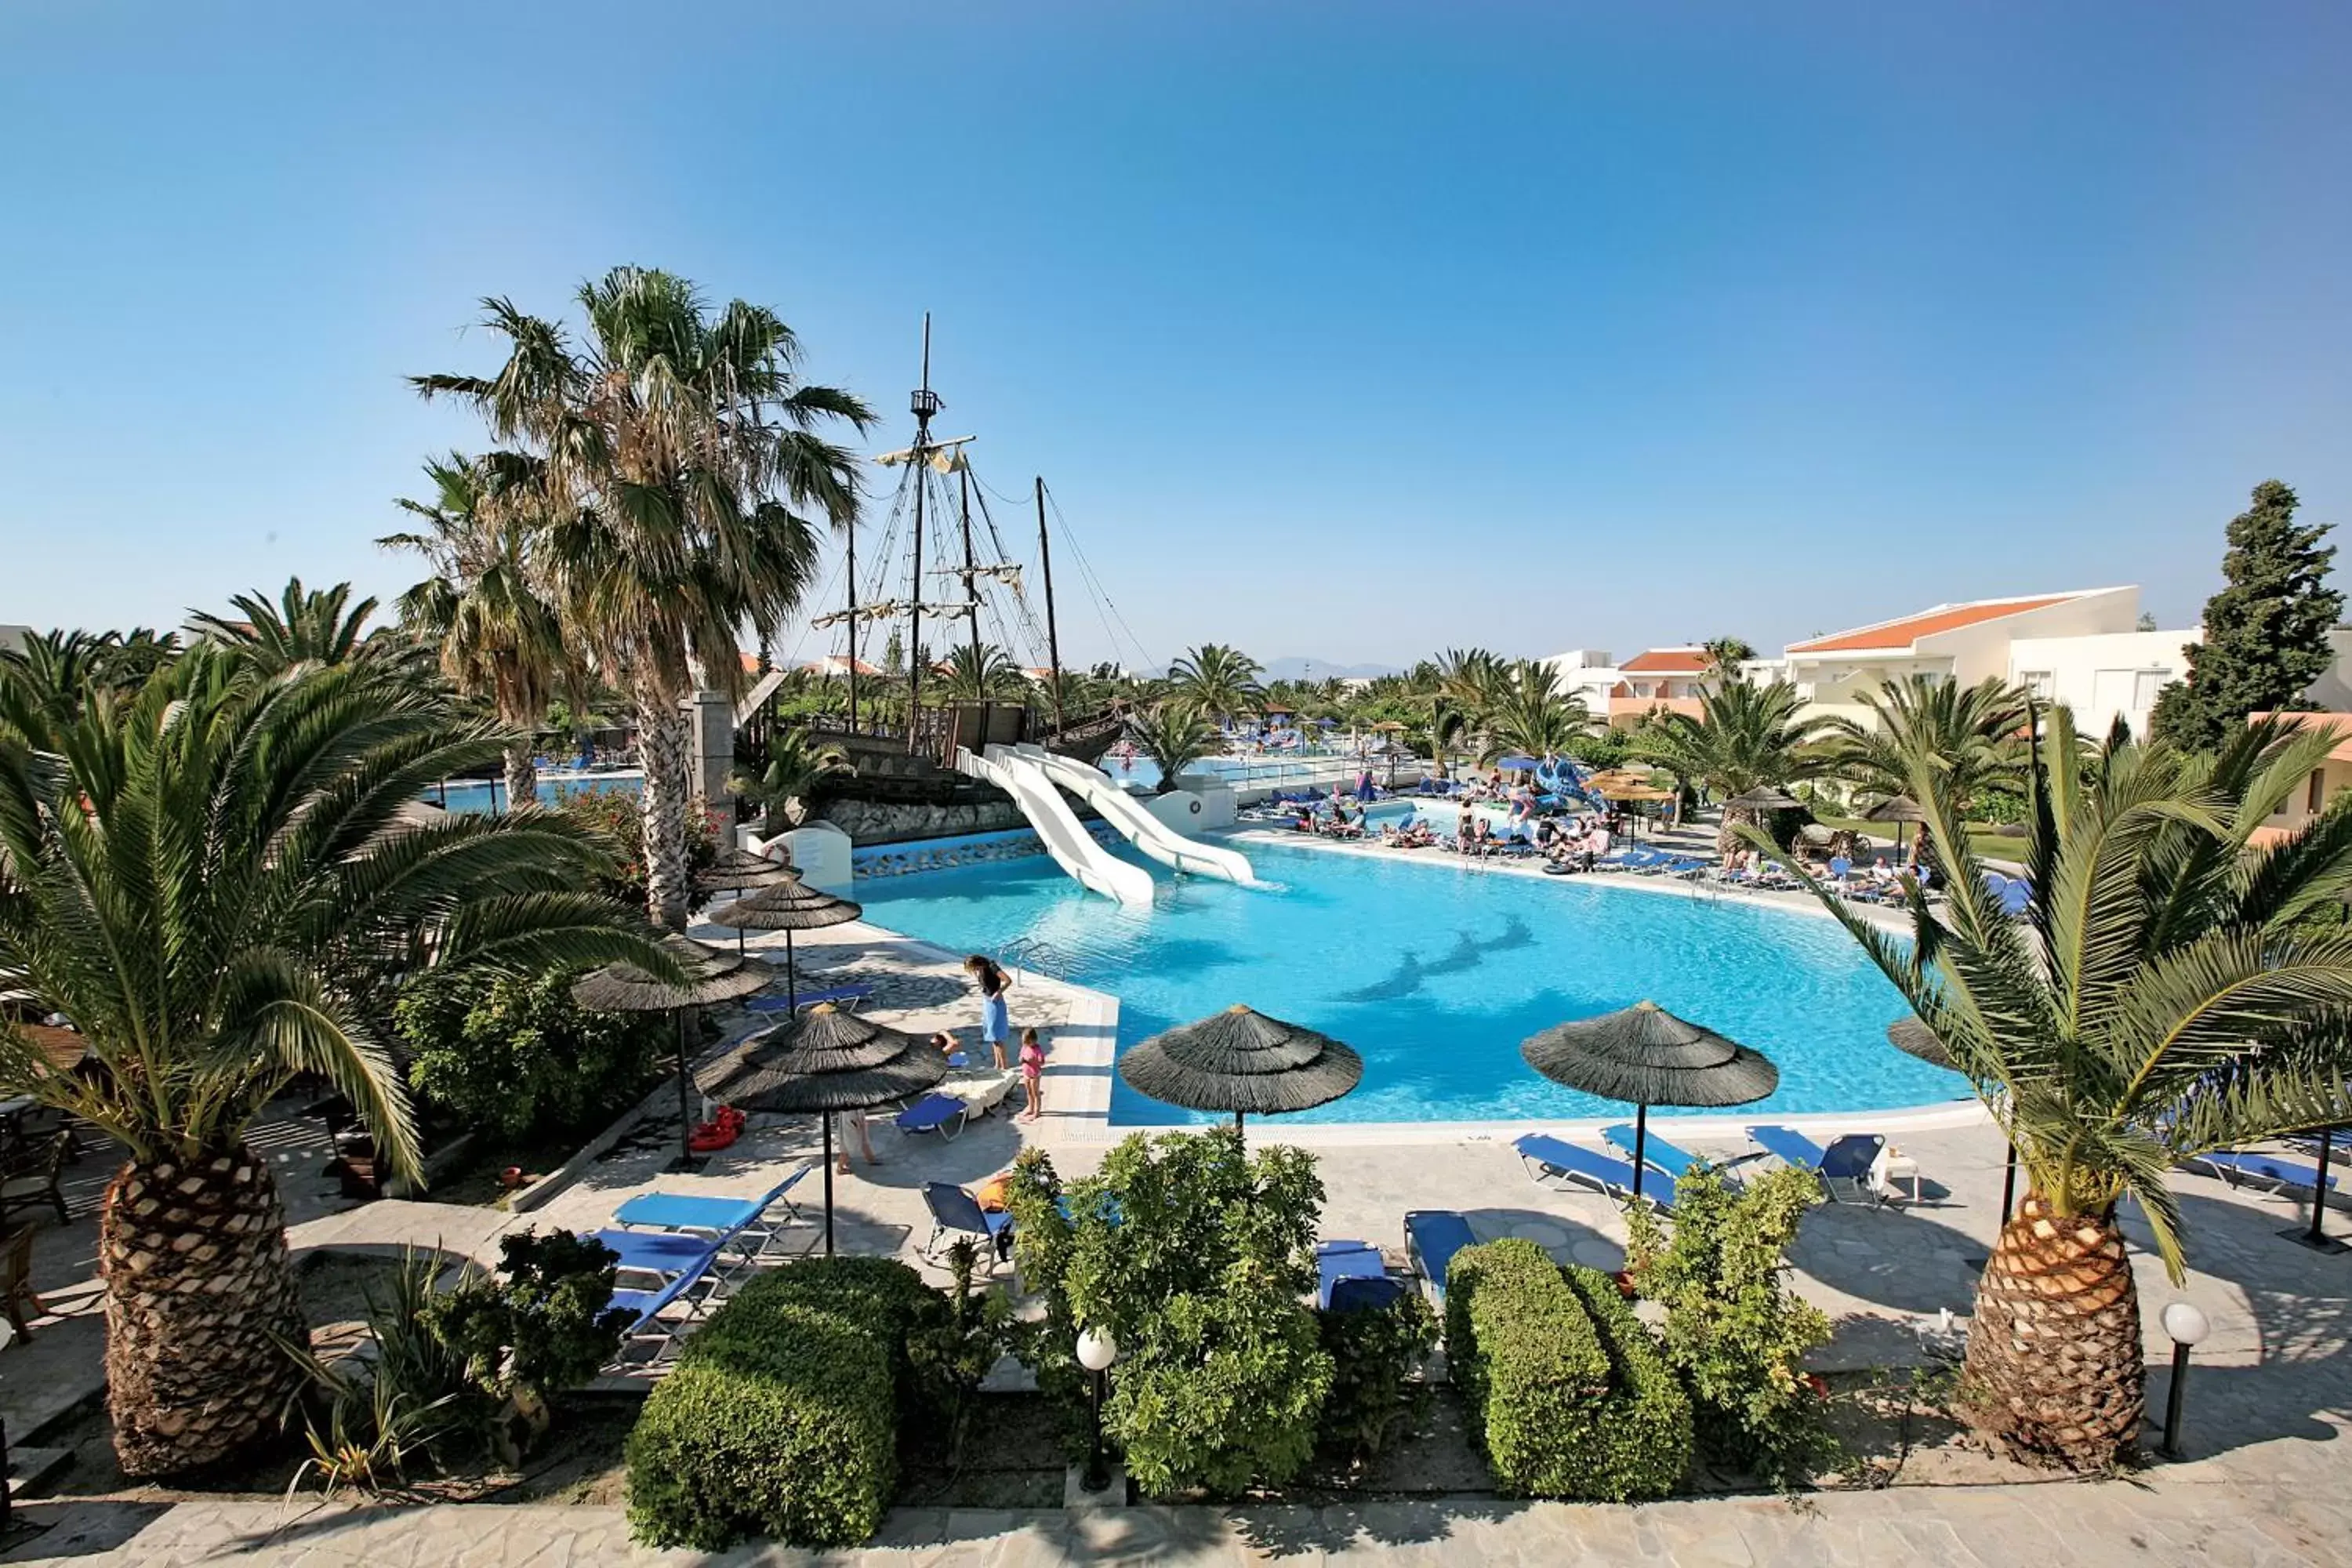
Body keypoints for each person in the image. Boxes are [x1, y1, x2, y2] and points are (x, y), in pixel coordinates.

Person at [965, 953, 1013, 1069]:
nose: (975, 971)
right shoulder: (981, 969)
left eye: (974, 968)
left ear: (978, 963)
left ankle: (1004, 1067)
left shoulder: (992, 967)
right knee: (992, 1036)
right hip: (987, 1003)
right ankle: (997, 1065)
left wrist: (999, 992)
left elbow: (1008, 980)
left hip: (995, 1004)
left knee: (997, 1037)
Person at [833, 1107, 879, 1175]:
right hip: (851, 1122)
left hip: (851, 1120)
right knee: (847, 1148)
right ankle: (840, 1168)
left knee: (862, 1142)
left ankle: (871, 1159)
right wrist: (857, 1123)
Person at [1018, 1026, 1047, 1123]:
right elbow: (1020, 1058)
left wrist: (1035, 1061)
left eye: (1027, 1042)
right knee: (1029, 1092)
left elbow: (1042, 1062)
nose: (1025, 1044)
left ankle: (1037, 1111)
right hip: (1026, 1073)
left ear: (1033, 1040)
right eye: (1024, 1042)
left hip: (1035, 1074)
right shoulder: (1024, 1047)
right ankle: (1031, 1108)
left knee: (1036, 1093)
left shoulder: (1037, 1049)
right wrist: (1022, 1060)